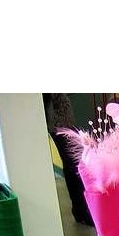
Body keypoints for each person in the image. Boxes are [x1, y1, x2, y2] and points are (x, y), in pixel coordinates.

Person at [42, 93, 94, 226]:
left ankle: (81, 209)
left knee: (73, 163)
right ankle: (82, 210)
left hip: (59, 114)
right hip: (53, 114)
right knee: (74, 164)